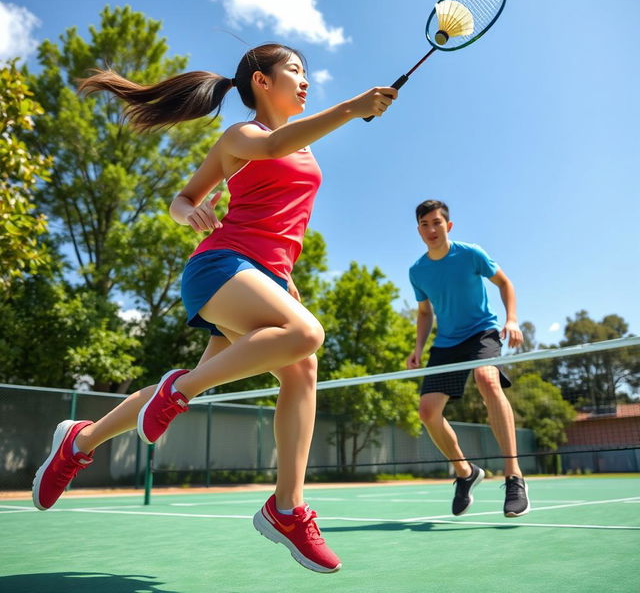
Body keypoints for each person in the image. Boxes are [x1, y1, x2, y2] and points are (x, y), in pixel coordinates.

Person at [32, 43, 397, 573]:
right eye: (295, 70)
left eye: (307, 74)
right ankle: (188, 399)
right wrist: (190, 214)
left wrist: (284, 281)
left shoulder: (306, 149)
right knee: (307, 339)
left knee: (301, 368)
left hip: (264, 278)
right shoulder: (244, 136)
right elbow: (185, 196)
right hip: (220, 267)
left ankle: (80, 440)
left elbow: (283, 229)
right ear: (260, 82)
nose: (306, 81)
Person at [406, 199, 530, 518]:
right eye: (424, 224)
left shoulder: (472, 253)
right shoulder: (417, 271)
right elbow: (424, 312)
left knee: (487, 380)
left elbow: (505, 283)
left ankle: (514, 476)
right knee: (427, 412)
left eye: (436, 223)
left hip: (481, 333)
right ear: (418, 230)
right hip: (446, 343)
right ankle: (465, 472)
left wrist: (512, 319)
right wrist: (418, 348)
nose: (431, 229)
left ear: (448, 226)